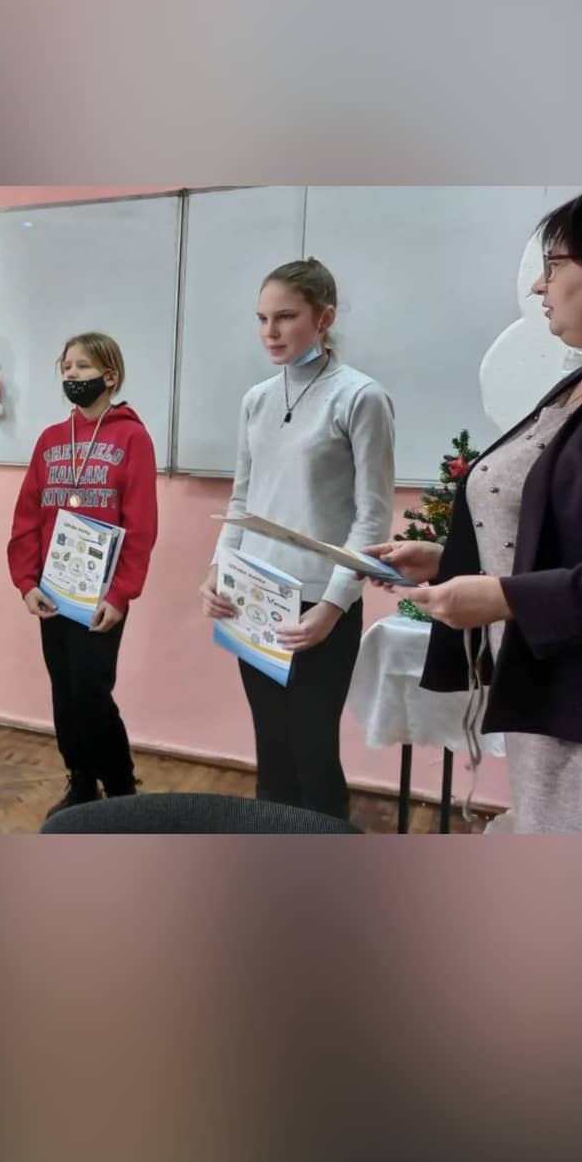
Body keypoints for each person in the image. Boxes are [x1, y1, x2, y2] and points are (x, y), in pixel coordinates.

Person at [362, 187, 582, 833]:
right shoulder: (575, 386)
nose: (539, 286)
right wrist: (445, 561)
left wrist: (507, 597)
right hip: (546, 693)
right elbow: (563, 525)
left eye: (555, 266)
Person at [199, 258, 395, 822]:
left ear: (324, 317)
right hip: (253, 594)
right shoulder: (256, 399)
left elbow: (372, 519)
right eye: (262, 319)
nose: (271, 332)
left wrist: (333, 606)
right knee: (272, 747)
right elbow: (242, 500)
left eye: (285, 317)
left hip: (319, 605)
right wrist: (218, 570)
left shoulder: (360, 397)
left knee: (313, 748)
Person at [6, 332, 159, 821]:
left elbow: (141, 524)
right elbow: (27, 515)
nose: (71, 374)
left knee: (92, 693)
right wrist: (26, 582)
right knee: (64, 693)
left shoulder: (132, 438)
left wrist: (120, 594)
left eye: (82, 366)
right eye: (66, 367)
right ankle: (82, 781)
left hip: (101, 598)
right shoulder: (51, 439)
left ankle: (120, 788)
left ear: (109, 377)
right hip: (53, 592)